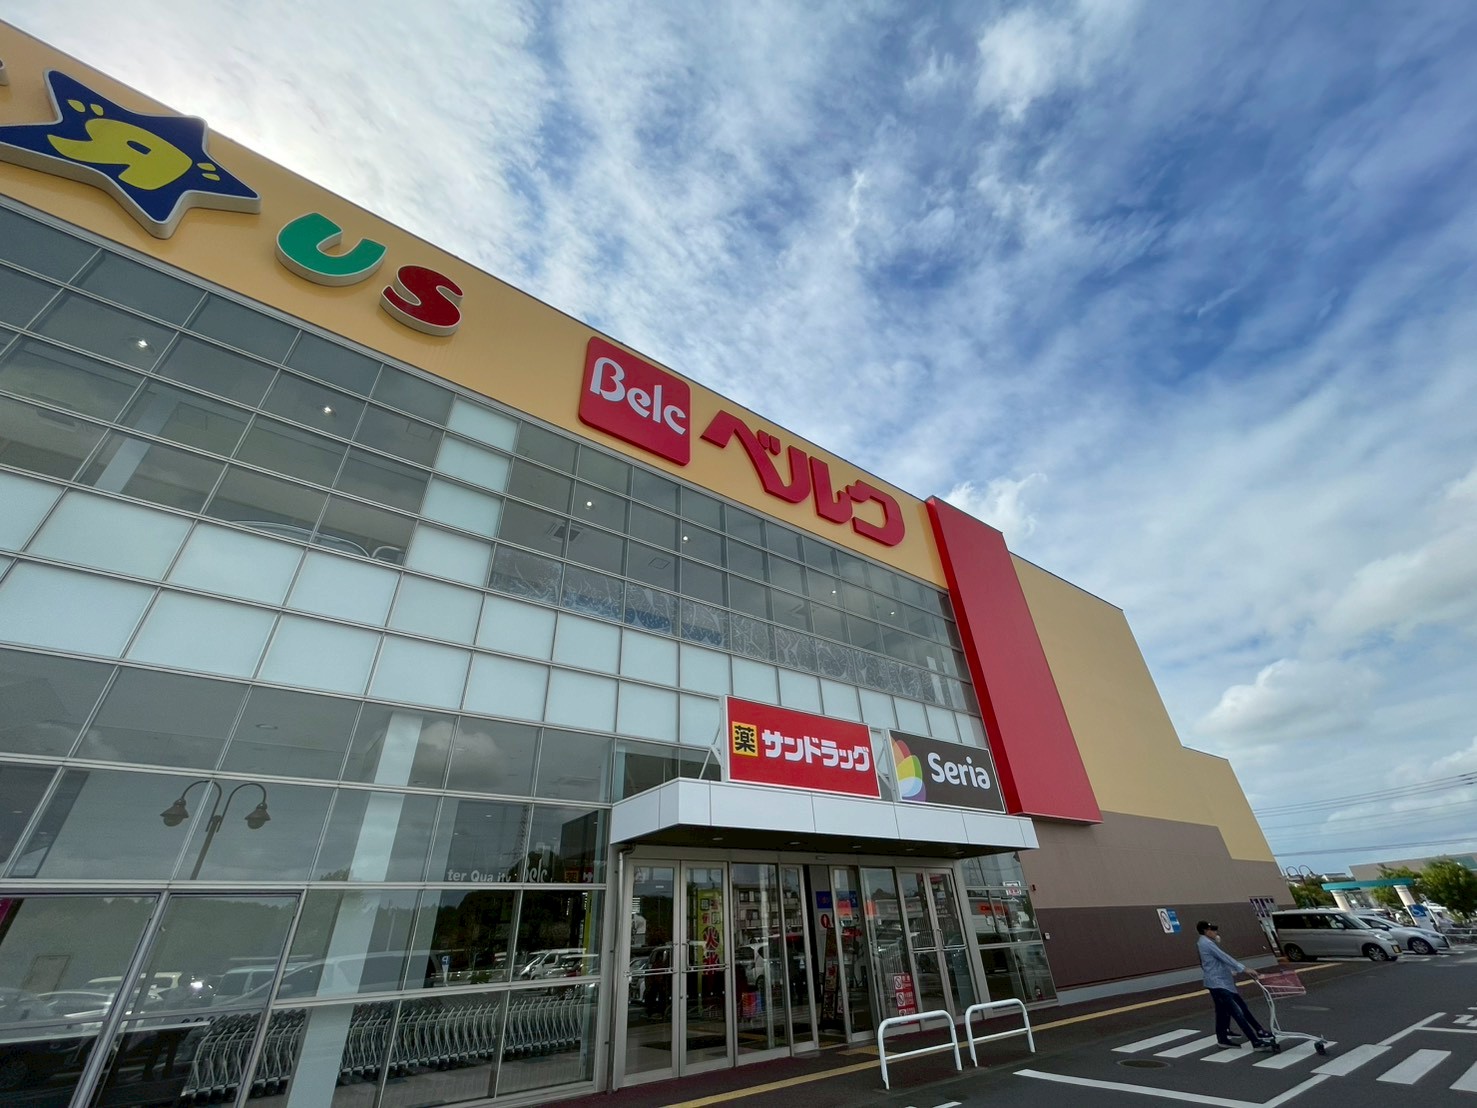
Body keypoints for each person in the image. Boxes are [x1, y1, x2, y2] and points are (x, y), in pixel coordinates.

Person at [1196, 920, 1273, 1048]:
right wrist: (1243, 968)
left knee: (1224, 1012)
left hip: (1220, 983)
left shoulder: (1205, 943)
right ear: (1206, 931)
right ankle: (1255, 1040)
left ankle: (1224, 1037)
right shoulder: (1206, 943)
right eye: (1212, 930)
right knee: (1237, 1011)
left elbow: (1216, 961)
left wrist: (1231, 969)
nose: (1216, 932)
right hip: (1218, 984)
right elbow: (1223, 956)